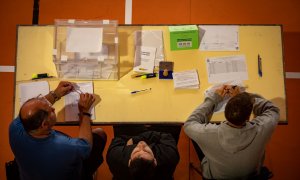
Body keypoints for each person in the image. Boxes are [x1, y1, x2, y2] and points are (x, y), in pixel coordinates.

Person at [9, 81, 107, 180]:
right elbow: (86, 146)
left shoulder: (15, 128)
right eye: (50, 110)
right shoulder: (65, 146)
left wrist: (55, 94)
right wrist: (84, 112)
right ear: (44, 124)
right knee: (99, 134)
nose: (53, 108)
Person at [184, 85, 279, 179]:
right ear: (248, 117)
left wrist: (213, 99)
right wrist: (245, 98)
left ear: (226, 113)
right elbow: (273, 110)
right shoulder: (263, 129)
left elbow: (189, 124)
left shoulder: (207, 134)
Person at [106, 125, 180, 180]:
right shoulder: (169, 157)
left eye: (136, 151)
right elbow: (167, 136)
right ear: (155, 161)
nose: (141, 144)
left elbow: (119, 137)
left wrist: (135, 139)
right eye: (146, 151)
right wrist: (139, 138)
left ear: (129, 161)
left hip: (130, 133)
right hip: (158, 132)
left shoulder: (115, 157)